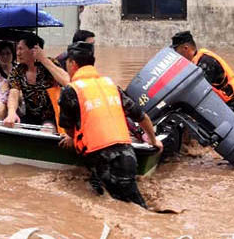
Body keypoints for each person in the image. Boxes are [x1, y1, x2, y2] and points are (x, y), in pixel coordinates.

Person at [57, 41, 162, 207]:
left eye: (67, 63)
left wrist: (72, 137)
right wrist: (153, 140)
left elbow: (68, 128)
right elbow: (141, 116)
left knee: (121, 208)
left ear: (72, 63)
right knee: (134, 204)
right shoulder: (110, 85)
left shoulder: (70, 91)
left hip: (103, 161)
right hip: (128, 156)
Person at [0, 33, 69, 126]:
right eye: (17, 49)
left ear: (33, 50)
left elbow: (66, 81)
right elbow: (14, 92)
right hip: (30, 116)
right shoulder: (18, 70)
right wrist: (11, 113)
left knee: (46, 130)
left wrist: (43, 59)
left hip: (52, 117)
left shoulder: (49, 63)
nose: (17, 53)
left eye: (21, 49)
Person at [170, 31, 234, 120]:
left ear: (185, 48)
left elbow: (197, 93)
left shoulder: (205, 62)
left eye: (176, 50)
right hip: (227, 107)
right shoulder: (197, 61)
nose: (176, 54)